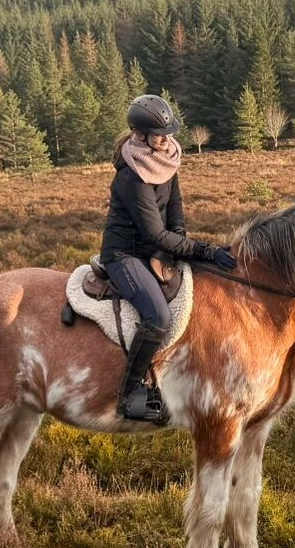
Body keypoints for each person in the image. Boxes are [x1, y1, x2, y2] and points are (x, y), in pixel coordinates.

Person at [100, 94, 236, 422]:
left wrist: (177, 248)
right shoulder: (132, 177)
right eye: (160, 135)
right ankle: (129, 392)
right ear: (142, 135)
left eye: (169, 133)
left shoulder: (166, 159)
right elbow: (153, 233)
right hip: (125, 255)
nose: (167, 139)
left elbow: (175, 218)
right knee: (157, 317)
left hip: (155, 249)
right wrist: (207, 250)